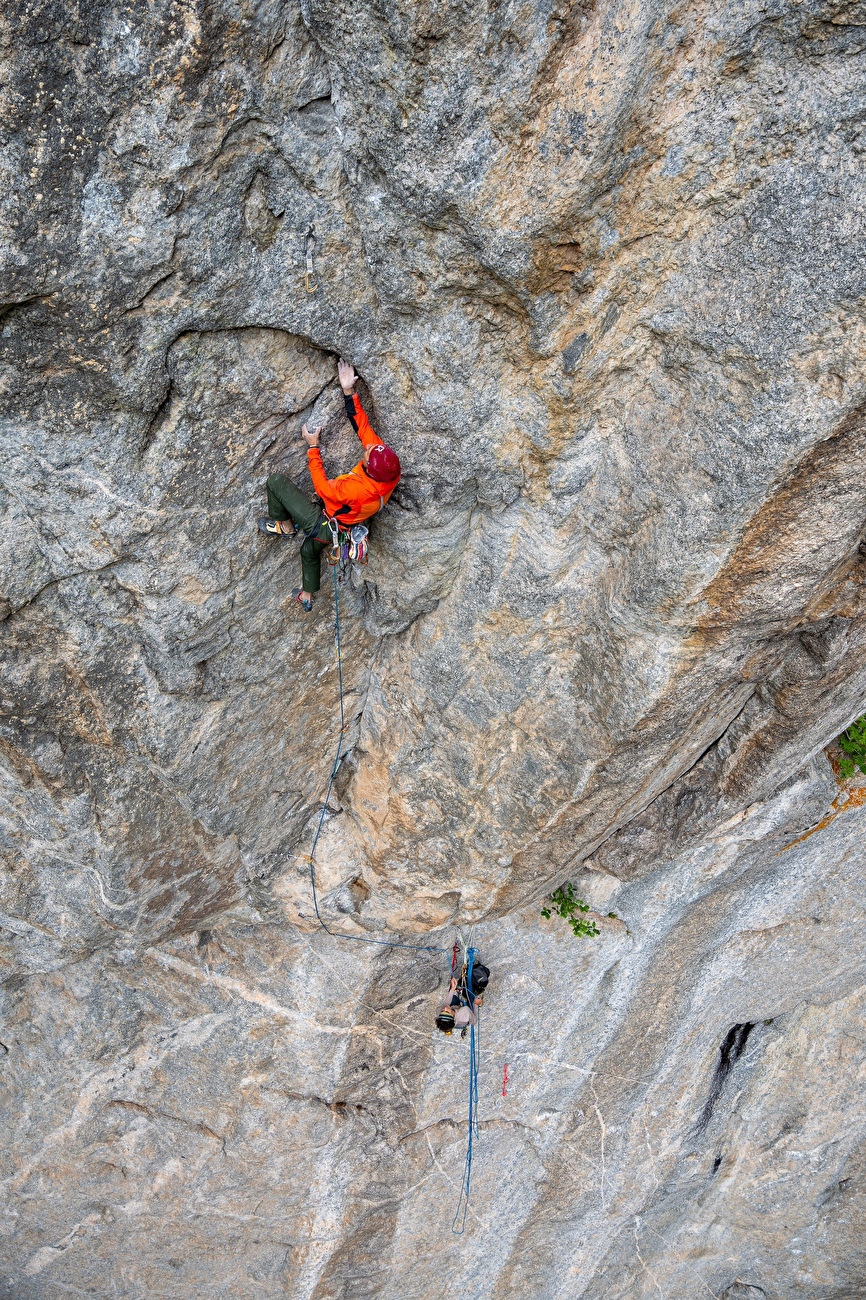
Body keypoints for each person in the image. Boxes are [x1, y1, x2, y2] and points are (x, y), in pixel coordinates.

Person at [258, 359, 401, 611]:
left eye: (368, 454)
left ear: (370, 470)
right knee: (309, 550)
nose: (367, 448)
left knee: (276, 482)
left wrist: (313, 447)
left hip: (323, 521)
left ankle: (285, 525)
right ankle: (307, 595)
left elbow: (324, 488)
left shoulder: (356, 488)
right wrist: (348, 390)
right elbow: (363, 427)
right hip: (340, 529)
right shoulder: (388, 469)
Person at [435, 959, 490, 1035]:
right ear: (452, 1015)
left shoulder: (438, 1011)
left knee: (454, 992)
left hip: (455, 1008)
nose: (444, 1008)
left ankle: (459, 989)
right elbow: (474, 1022)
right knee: (473, 996)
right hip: (463, 1015)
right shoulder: (464, 1013)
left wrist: (452, 989)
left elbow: (446, 1003)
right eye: (446, 1011)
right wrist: (476, 1004)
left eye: (442, 1011)